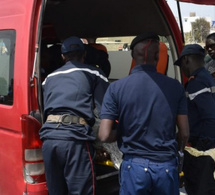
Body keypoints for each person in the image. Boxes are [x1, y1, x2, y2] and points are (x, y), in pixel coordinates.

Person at [98, 32, 189, 195]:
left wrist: (123, 132)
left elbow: (104, 135)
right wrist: (178, 152)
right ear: (158, 56)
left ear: (133, 55)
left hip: (134, 168)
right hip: (165, 166)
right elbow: (184, 133)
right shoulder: (175, 87)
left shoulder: (116, 88)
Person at [40, 36, 109, 195]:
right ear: (84, 54)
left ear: (63, 56)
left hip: (49, 140)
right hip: (75, 140)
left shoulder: (48, 79)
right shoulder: (94, 73)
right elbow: (106, 111)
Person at [174, 44, 215, 195]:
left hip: (202, 148)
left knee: (200, 188)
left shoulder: (196, 82)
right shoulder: (207, 78)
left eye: (181, 65)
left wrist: (204, 147)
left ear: (186, 60)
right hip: (206, 145)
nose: (182, 70)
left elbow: (210, 115)